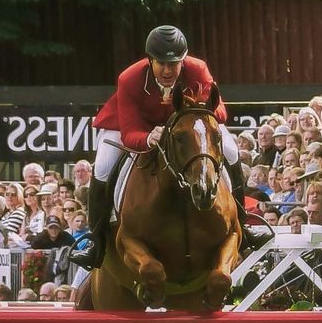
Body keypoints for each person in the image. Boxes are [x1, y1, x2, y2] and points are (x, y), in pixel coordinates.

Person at [72, 25, 272, 270]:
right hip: (137, 126)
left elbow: (219, 110)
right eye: (161, 64)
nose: (168, 70)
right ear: (150, 61)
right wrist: (148, 138)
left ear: (183, 60)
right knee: (103, 165)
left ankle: (244, 225)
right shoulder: (130, 78)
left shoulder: (197, 69)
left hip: (187, 125)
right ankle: (97, 239)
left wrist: (197, 108)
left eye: (174, 63)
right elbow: (130, 131)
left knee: (230, 151)